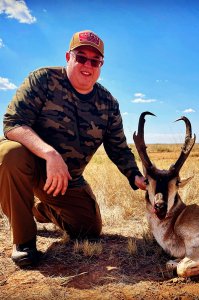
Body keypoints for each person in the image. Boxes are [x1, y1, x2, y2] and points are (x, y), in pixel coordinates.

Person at [0, 29, 146, 267]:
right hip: (31, 167)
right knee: (9, 154)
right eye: (81, 57)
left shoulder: (108, 104)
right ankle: (24, 241)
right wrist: (50, 154)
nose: (87, 65)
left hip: (67, 180)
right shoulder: (43, 80)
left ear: (101, 65)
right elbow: (13, 124)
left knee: (89, 230)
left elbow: (118, 148)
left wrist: (136, 176)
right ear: (68, 57)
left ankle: (44, 211)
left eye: (95, 60)